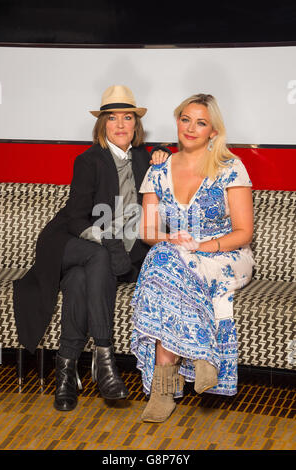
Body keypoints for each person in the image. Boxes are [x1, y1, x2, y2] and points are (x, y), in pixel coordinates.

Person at [13, 85, 169, 411]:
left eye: (128, 117)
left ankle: (65, 373)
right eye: (113, 118)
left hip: (106, 257)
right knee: (99, 255)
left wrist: (165, 151)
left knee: (81, 281)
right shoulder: (89, 160)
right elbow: (76, 217)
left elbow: (185, 152)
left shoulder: (144, 158)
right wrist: (107, 240)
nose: (121, 124)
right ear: (102, 125)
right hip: (69, 242)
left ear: (136, 125)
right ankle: (104, 358)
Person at [131, 93, 255, 423]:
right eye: (185, 119)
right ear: (177, 121)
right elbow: (148, 230)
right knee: (162, 255)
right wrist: (171, 239)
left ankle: (166, 387)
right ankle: (202, 356)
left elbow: (244, 231)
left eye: (200, 122)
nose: (190, 127)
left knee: (166, 263)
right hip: (181, 254)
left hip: (226, 255)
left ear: (213, 131)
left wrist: (205, 247)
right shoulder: (158, 170)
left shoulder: (231, 168)